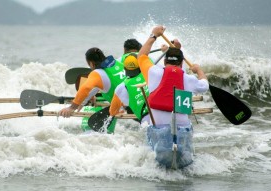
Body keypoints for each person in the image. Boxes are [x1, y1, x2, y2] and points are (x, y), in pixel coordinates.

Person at [138, 25, 209, 169]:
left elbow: (141, 56)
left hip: (159, 130)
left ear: (164, 62)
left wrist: (153, 35)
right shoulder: (189, 79)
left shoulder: (153, 72)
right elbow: (205, 85)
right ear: (182, 63)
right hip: (182, 131)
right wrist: (198, 70)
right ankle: (181, 154)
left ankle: (162, 154)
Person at [59, 47, 125, 133]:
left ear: (91, 63)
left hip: (122, 104)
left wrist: (71, 108)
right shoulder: (118, 63)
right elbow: (98, 85)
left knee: (91, 130)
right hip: (136, 98)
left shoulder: (97, 73)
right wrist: (83, 101)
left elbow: (85, 88)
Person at [109, 53, 151, 124]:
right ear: (140, 66)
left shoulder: (121, 87)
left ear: (125, 69)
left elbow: (112, 112)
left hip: (146, 120)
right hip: (164, 112)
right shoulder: (151, 73)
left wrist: (121, 109)